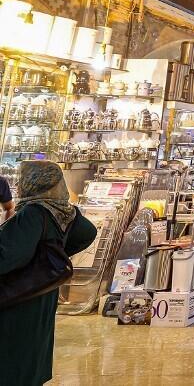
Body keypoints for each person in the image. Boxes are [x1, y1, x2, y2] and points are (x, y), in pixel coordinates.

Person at [0, 160, 97, 386]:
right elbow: (88, 232)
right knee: (34, 348)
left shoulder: (32, 213)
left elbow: (8, 256)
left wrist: (39, 257)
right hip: (42, 292)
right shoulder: (63, 210)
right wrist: (52, 258)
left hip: (17, 297)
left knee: (14, 355)